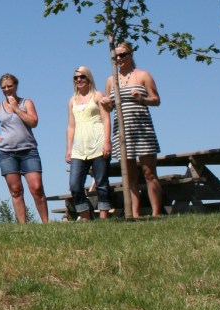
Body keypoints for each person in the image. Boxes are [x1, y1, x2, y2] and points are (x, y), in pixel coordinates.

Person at [100, 43, 162, 218]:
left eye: (123, 55)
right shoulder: (111, 80)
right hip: (122, 130)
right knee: (130, 175)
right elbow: (111, 107)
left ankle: (156, 213)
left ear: (130, 54)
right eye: (116, 56)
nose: (120, 59)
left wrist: (142, 98)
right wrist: (107, 104)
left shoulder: (143, 75)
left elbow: (156, 100)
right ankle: (134, 214)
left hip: (142, 128)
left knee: (149, 172)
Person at [0, 74, 49, 224]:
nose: (7, 89)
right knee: (16, 190)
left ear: (16, 86)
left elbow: (33, 122)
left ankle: (46, 223)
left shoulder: (26, 102)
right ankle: (23, 225)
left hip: (28, 151)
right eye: (3, 87)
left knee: (36, 187)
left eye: (9, 86)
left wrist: (16, 108)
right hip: (7, 153)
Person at [65, 66, 112, 220]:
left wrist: (107, 142)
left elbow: (106, 119)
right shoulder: (72, 101)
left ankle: (104, 215)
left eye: (82, 77)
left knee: (101, 183)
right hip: (79, 148)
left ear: (89, 78)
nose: (79, 80)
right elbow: (71, 126)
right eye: (76, 77)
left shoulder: (97, 96)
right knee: (75, 184)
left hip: (98, 143)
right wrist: (69, 149)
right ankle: (85, 216)